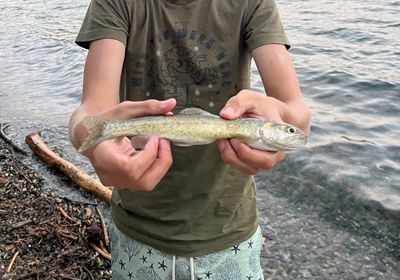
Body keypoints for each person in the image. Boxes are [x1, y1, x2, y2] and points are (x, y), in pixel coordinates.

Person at [69, 0, 311, 279]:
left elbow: (296, 112)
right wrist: (88, 140)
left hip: (230, 232)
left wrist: (283, 117)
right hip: (138, 231)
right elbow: (91, 111)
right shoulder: (116, 4)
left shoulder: (253, 4)